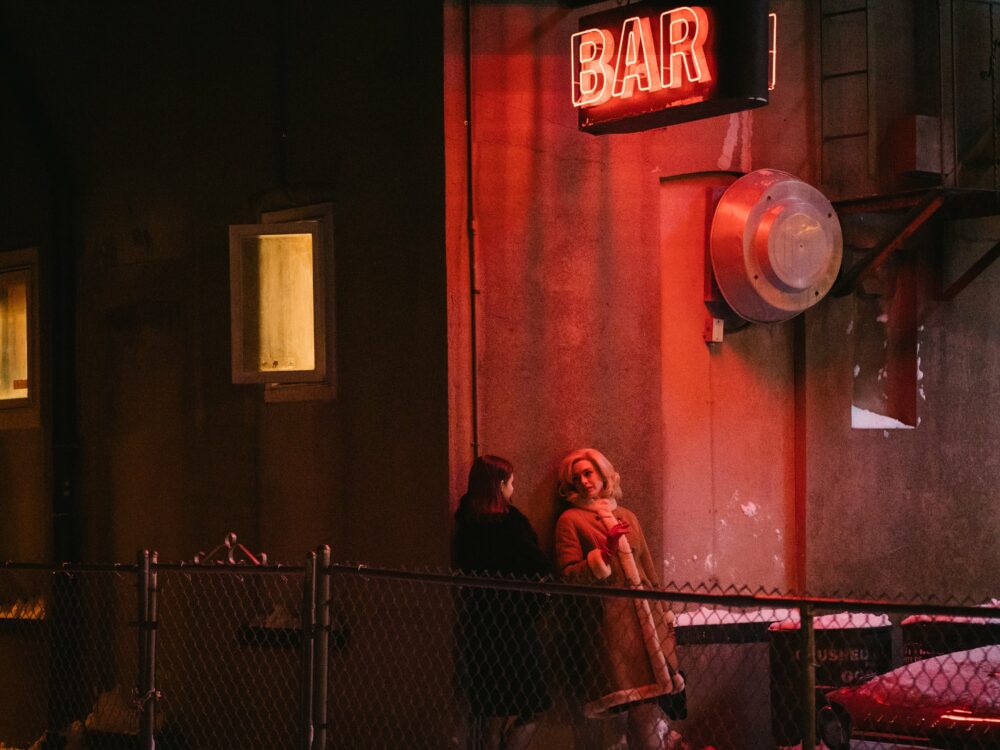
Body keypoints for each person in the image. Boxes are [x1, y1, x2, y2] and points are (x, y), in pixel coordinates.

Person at [553, 448, 684, 750]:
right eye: (576, 478)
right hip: (609, 629)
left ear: (603, 474)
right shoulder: (571, 520)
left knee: (647, 707)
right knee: (620, 710)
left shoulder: (627, 517)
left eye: (588, 473)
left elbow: (648, 568)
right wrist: (604, 553)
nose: (584, 481)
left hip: (646, 625)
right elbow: (569, 575)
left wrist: (663, 612)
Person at [453, 455, 552, 750]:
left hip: (479, 626)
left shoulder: (466, 524)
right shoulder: (511, 525)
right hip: (516, 626)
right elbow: (538, 565)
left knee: (490, 711)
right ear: (500, 484)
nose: (513, 488)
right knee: (534, 704)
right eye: (510, 482)